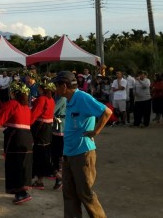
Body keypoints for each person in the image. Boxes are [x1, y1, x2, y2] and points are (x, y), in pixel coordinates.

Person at [53, 71, 111, 218]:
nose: (55, 89)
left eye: (57, 86)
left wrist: (95, 131)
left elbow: (107, 112)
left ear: (64, 86)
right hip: (69, 154)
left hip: (83, 154)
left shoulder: (82, 97)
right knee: (69, 194)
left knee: (85, 193)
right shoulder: (69, 100)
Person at [0, 81, 33, 204]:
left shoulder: (13, 104)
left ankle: (20, 193)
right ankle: (24, 190)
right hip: (27, 137)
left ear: (13, 93)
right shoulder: (26, 106)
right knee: (24, 164)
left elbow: (0, 117)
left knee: (14, 164)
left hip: (16, 137)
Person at [29, 79, 56, 190]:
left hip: (41, 128)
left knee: (41, 154)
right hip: (47, 128)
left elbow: (34, 115)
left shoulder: (42, 99)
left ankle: (57, 176)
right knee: (42, 153)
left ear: (42, 89)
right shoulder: (51, 100)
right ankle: (39, 181)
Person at [51, 91, 67, 190]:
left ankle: (60, 179)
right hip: (59, 127)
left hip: (60, 128)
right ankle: (59, 179)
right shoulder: (59, 97)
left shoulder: (61, 98)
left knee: (57, 154)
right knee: (58, 155)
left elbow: (52, 110)